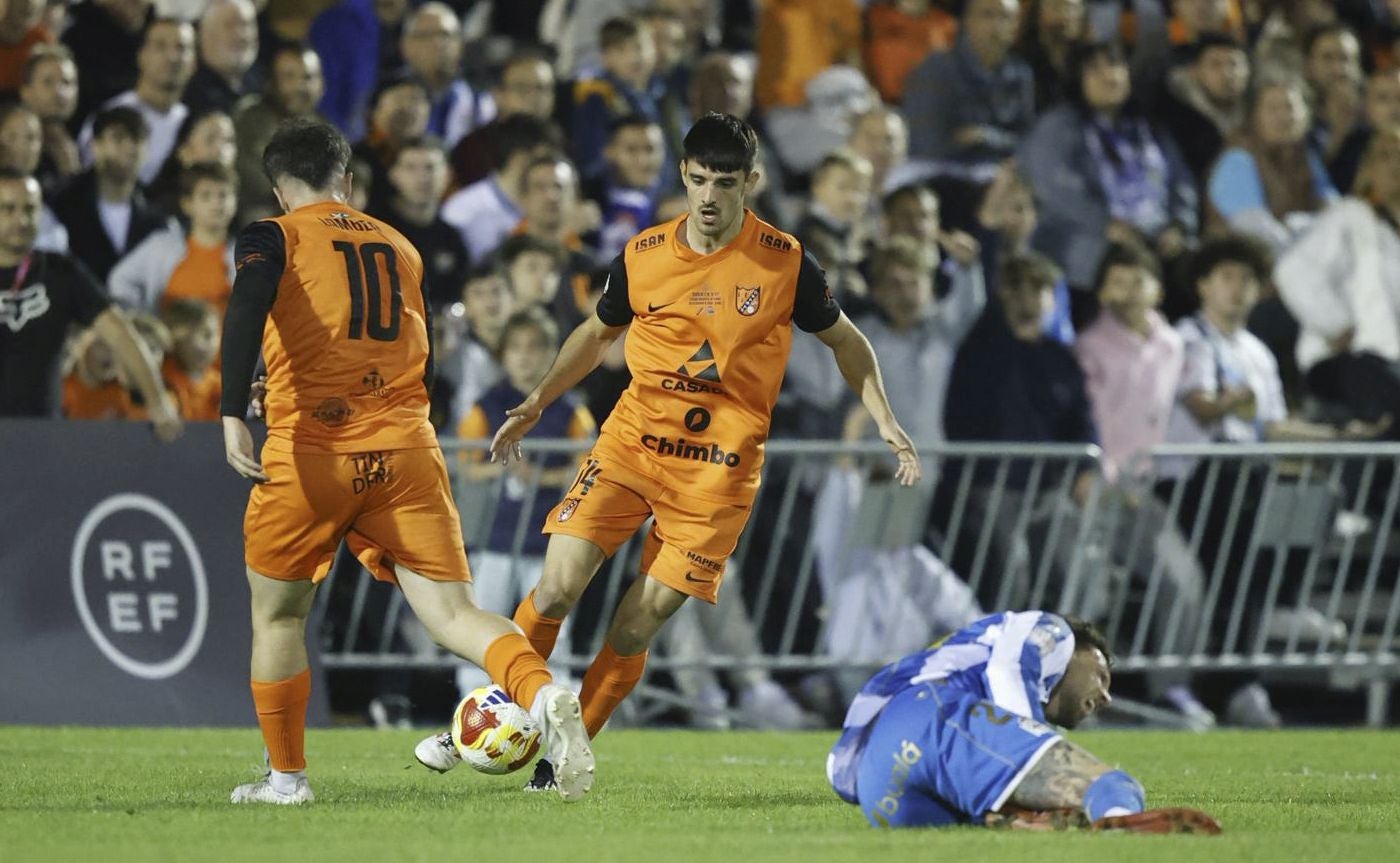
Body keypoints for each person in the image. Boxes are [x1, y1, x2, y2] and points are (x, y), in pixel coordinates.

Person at [413, 112, 922, 791]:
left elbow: (847, 341)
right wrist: (538, 398)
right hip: (632, 444)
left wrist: (884, 416)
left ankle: (562, 758)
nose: (710, 197)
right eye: (700, 180)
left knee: (634, 623)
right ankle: (486, 717)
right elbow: (597, 335)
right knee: (558, 583)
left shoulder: (785, 261)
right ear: (683, 175)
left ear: (753, 181)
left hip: (717, 472)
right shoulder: (645, 253)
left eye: (726, 183)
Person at [219, 118, 593, 805]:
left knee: (277, 618)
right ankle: (541, 693)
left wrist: (229, 410)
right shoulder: (400, 244)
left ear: (279, 190)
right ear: (349, 182)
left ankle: (286, 780)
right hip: (406, 449)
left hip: (314, 449)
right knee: (455, 614)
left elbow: (247, 304)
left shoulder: (272, 234)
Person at [827, 610, 1222, 833]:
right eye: (1101, 677)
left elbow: (837, 773)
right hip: (931, 719)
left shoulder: (958, 662)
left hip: (881, 793)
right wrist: (1027, 742)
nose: (1105, 697)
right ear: (1080, 651)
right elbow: (1008, 669)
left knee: (1021, 829)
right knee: (1113, 785)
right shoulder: (1052, 632)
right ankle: (1118, 825)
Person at [452, 307, 596, 698]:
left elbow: (589, 468)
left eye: (535, 347)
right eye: (515, 347)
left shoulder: (569, 409)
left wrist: (540, 479)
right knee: (482, 622)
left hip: (548, 540)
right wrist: (504, 471)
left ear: (552, 353)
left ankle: (556, 698)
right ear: (503, 354)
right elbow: (465, 466)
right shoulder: (486, 406)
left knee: (552, 627)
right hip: (495, 539)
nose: (525, 356)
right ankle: (472, 702)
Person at [0, 169, 180, 438]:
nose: (21, 219)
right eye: (8, 209)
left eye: (30, 209)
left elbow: (120, 333)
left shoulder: (61, 272)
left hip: (40, 437)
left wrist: (157, 399)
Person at [1274, 129, 1400, 436]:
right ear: (1368, 170)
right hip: (1345, 362)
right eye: (1384, 157)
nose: (1396, 164)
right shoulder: (1350, 217)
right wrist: (1336, 323)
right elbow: (1293, 271)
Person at [902, 0, 1034, 177]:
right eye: (987, 15)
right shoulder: (937, 68)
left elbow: (1029, 142)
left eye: (1006, 17)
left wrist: (985, 137)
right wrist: (995, 143)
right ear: (967, 21)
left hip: (998, 174)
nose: (997, 25)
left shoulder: (1021, 74)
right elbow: (924, 144)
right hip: (940, 172)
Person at [52, 106, 171, 284]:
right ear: (94, 145)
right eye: (118, 138)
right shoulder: (62, 204)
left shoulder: (157, 217)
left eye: (137, 139)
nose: (129, 147)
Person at [77, 17, 197, 187]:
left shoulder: (195, 126)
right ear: (141, 56)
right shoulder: (111, 117)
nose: (172, 57)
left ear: (194, 63)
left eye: (181, 48)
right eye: (160, 46)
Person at [108, 161, 237, 315]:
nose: (217, 204)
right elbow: (120, 280)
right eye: (206, 196)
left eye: (223, 195)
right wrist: (143, 323)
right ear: (187, 204)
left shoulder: (249, 256)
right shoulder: (161, 246)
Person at [233, 43, 325, 224]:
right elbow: (252, 178)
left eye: (308, 77)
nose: (300, 86)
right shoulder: (249, 119)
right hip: (254, 216)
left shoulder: (326, 131)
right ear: (272, 82)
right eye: (289, 77)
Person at [374, 136, 467, 311]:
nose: (422, 177)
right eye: (410, 168)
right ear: (393, 174)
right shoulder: (373, 229)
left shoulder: (452, 239)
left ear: (448, 175)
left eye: (430, 168)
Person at [448, 51, 555, 190]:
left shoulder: (559, 140)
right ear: (498, 94)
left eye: (542, 88)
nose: (535, 97)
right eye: (522, 88)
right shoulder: (473, 148)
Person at [398, 2, 493, 149]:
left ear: (461, 46)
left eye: (446, 35)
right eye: (426, 35)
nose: (438, 43)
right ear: (405, 45)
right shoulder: (383, 95)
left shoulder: (480, 103)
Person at [18, 44, 82, 197]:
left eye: (67, 82)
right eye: (48, 82)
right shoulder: (9, 142)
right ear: (26, 92)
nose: (59, 92)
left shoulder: (84, 139)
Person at [182, 0, 259, 115]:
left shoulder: (262, 88)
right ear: (204, 35)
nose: (241, 34)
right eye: (230, 25)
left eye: (246, 24)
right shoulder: (185, 94)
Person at [159, 296, 221, 420]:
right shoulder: (160, 381)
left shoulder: (219, 385)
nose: (211, 344)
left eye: (211, 334)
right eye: (204, 335)